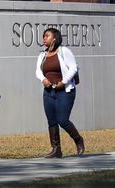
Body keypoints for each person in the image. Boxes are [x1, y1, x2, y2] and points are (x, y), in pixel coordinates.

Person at [35, 27, 85, 158]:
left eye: (47, 36)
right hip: (48, 92)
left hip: (64, 91)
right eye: (43, 36)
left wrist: (63, 82)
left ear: (55, 38)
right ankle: (56, 149)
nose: (44, 38)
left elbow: (73, 68)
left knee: (63, 120)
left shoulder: (64, 51)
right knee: (51, 121)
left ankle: (78, 139)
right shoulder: (42, 55)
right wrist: (43, 79)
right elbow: (38, 71)